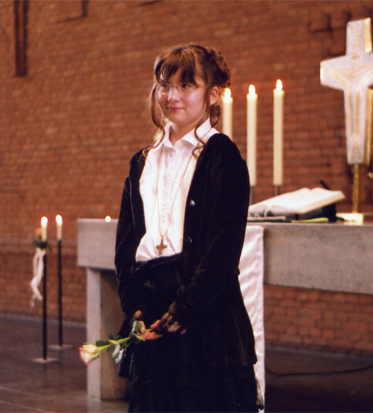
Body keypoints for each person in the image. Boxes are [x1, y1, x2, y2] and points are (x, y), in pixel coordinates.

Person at [114, 44, 262, 412]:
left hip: (204, 316)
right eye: (165, 85)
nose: (172, 96)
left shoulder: (222, 156)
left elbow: (223, 248)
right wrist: (132, 298)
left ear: (213, 95)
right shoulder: (142, 162)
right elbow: (127, 239)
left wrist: (186, 307)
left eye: (186, 85)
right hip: (153, 310)